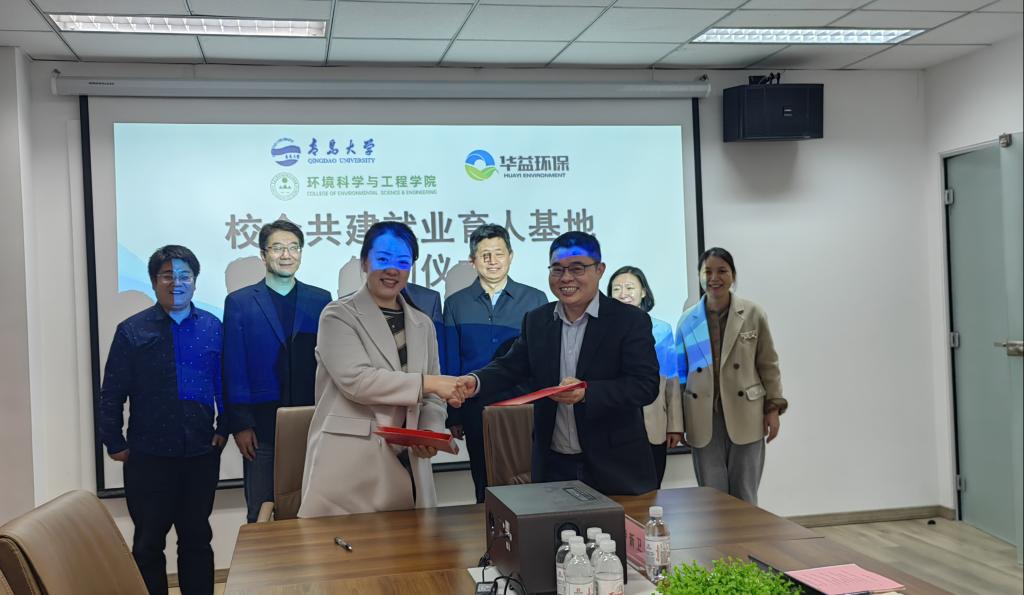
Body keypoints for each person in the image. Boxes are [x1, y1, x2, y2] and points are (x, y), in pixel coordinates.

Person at [457, 231, 659, 496]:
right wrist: (474, 381)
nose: (566, 278)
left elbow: (645, 386)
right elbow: (510, 367)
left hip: (615, 466)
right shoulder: (537, 320)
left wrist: (587, 393)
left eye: (577, 269)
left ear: (599, 270)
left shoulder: (629, 320)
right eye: (557, 269)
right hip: (553, 466)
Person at [298, 222, 466, 517]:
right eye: (383, 259)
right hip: (349, 467)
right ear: (364, 262)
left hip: (409, 463)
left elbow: (433, 400)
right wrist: (428, 383)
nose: (392, 269)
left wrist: (429, 432)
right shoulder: (338, 315)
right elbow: (358, 381)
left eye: (403, 262)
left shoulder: (423, 324)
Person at [98, 245, 224, 595]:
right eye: (168, 276)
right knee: (148, 544)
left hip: (199, 454)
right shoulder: (132, 330)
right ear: (154, 282)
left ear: (195, 281)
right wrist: (114, 441)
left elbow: (223, 382)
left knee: (197, 539)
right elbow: (112, 392)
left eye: (184, 276)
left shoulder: (212, 327)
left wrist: (225, 427)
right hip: (149, 457)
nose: (176, 283)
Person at [223, 219, 332, 523]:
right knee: (260, 512)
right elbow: (234, 366)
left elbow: (329, 362)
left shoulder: (321, 299)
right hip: (261, 426)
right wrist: (240, 424)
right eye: (278, 248)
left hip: (312, 420)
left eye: (294, 247)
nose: (287, 255)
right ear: (263, 255)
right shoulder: (240, 302)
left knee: (314, 511)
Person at [443, 224, 548, 502]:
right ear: (473, 260)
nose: (493, 261)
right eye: (485, 255)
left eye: (499, 253)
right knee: (484, 480)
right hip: (475, 408)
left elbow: (542, 357)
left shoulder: (535, 299)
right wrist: (454, 414)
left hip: (524, 407)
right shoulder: (455, 303)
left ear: (510, 256)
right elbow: (451, 360)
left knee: (530, 482)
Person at [676, 247, 787, 505]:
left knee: (745, 494)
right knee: (712, 498)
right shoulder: (687, 321)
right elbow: (680, 376)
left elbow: (768, 364)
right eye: (708, 272)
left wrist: (773, 409)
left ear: (733, 275)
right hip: (702, 417)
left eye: (722, 271)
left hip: (747, 413)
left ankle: (748, 535)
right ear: (699, 276)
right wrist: (678, 423)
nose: (714, 278)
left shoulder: (753, 313)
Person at [607, 266, 682, 487]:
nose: (623, 293)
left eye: (630, 287)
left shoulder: (661, 330)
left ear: (643, 292)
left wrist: (675, 425)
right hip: (613, 427)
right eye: (616, 289)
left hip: (653, 424)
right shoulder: (602, 330)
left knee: (652, 488)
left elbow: (671, 381)